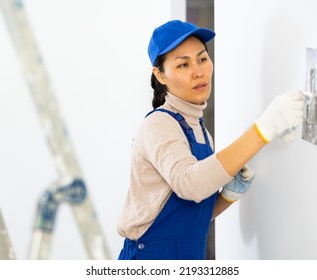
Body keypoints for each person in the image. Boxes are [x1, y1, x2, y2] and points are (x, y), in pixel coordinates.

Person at [116, 19, 303, 260]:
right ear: (160, 75)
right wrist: (264, 128)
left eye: (202, 59)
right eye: (183, 65)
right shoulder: (159, 125)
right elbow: (189, 184)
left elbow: (191, 216)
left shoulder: (200, 130)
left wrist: (227, 196)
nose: (198, 71)